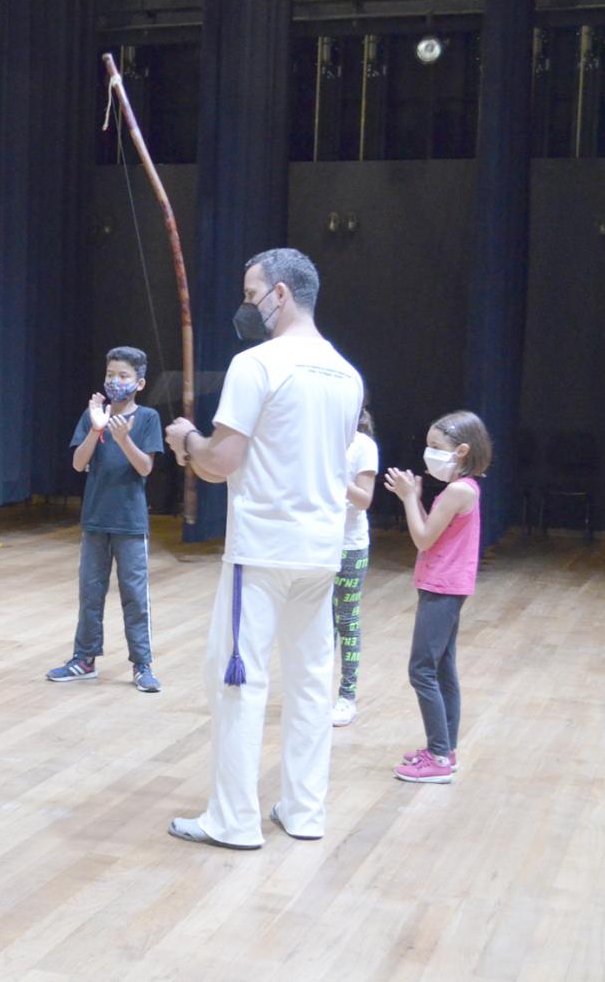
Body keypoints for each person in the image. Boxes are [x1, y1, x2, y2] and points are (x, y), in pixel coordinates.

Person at [164, 248, 362, 848]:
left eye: (252, 295)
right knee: (309, 684)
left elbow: (222, 463)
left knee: (237, 683)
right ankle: (304, 812)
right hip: (323, 549)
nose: (246, 307)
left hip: (262, 548)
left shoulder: (257, 364)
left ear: (280, 293)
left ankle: (233, 819)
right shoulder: (348, 374)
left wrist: (187, 440)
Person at [46, 346, 164, 692]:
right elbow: (78, 464)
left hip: (131, 524)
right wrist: (97, 430)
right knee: (91, 593)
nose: (115, 381)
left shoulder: (148, 418)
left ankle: (142, 664)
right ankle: (84, 659)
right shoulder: (92, 415)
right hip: (96, 520)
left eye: (123, 376)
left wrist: (123, 439)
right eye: (110, 374)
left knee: (134, 595)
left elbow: (145, 467)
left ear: (139, 383)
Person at [384, 410, 490, 784]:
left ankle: (439, 756)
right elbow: (436, 532)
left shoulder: (458, 490)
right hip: (448, 584)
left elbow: (423, 537)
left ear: (461, 451)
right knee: (443, 669)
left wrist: (409, 497)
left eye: (436, 447)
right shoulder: (465, 489)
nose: (428, 453)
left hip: (442, 586)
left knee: (422, 670)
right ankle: (444, 747)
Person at [332, 405, 380, 727]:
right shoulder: (317, 439)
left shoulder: (363, 446)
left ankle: (347, 695)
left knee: (346, 619)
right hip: (315, 545)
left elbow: (364, 499)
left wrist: (333, 472)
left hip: (349, 545)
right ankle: (313, 693)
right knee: (317, 624)